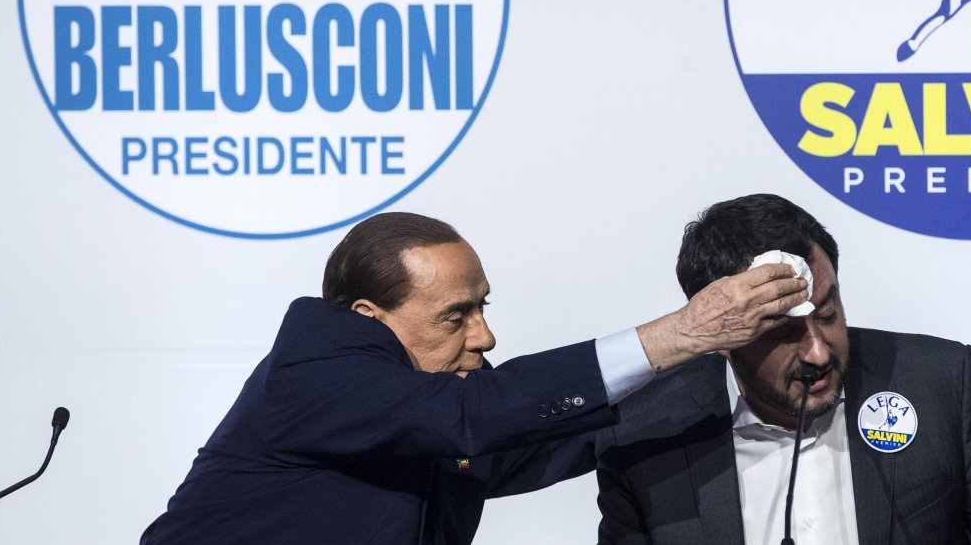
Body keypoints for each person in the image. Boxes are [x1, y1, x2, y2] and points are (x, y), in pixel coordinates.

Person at [141, 211, 808, 544]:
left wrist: (741, 370)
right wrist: (685, 331)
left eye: (482, 307)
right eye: (455, 315)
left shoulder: (439, 406)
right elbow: (475, 414)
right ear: (369, 317)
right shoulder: (316, 363)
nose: (484, 336)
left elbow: (570, 433)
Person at [595, 194, 971, 544]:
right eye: (782, 332)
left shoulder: (941, 384)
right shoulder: (643, 436)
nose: (819, 354)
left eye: (827, 314)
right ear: (721, 337)